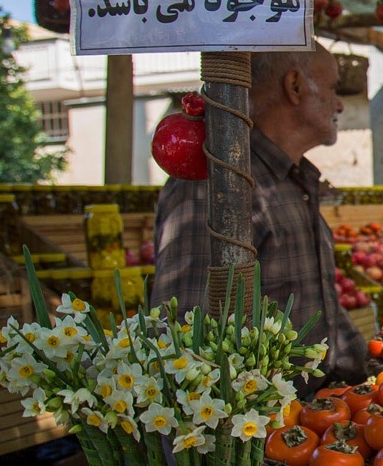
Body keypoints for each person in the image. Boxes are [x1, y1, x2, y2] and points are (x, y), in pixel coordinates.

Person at [152, 42, 367, 392]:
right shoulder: (219, 186)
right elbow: (183, 337)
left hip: (315, 420)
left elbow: (321, 312)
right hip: (259, 430)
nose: (339, 103)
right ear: (295, 86)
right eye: (332, 88)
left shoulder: (292, 181)